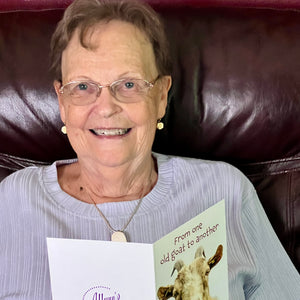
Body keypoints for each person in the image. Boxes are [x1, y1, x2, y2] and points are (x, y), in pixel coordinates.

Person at [0, 0, 299, 299]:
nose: (105, 108)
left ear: (160, 96)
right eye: (82, 87)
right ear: (62, 102)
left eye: (128, 84)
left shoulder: (226, 192)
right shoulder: (13, 201)